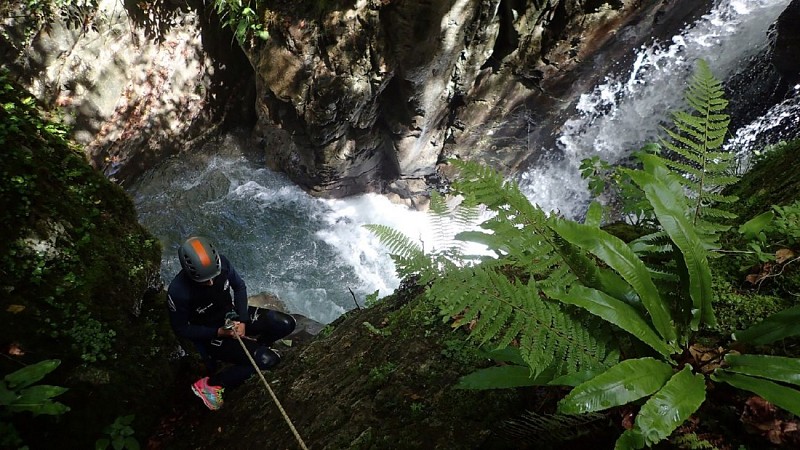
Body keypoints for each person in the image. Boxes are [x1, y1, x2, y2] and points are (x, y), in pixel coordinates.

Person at [166, 236, 296, 410]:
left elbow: (239, 287)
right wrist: (219, 332)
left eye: (213, 277)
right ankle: (211, 385)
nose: (211, 282)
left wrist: (242, 320)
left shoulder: (222, 264)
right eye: (205, 280)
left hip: (232, 317)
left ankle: (257, 346)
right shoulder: (179, 292)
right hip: (213, 334)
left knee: (285, 323)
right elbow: (181, 328)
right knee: (267, 360)